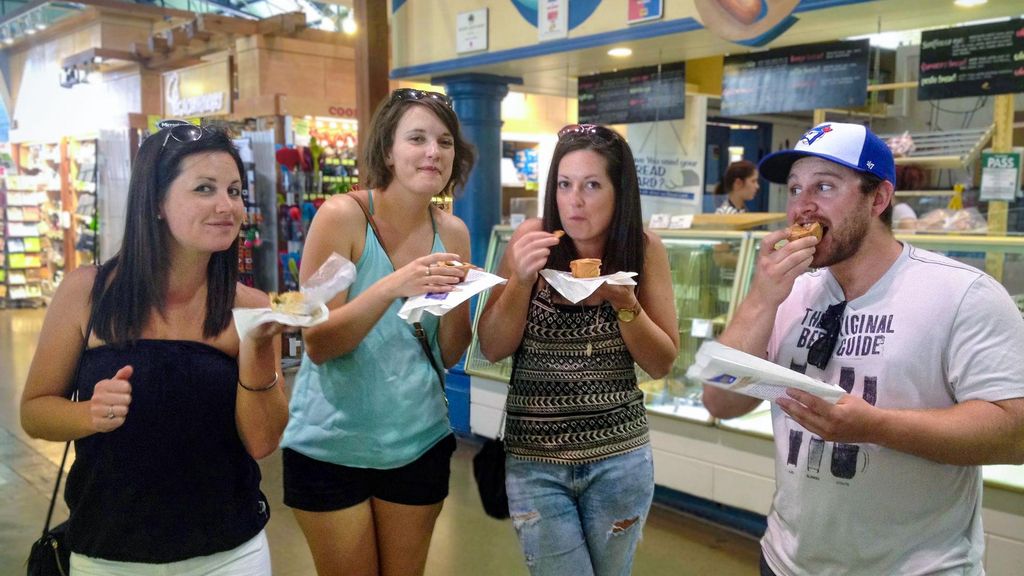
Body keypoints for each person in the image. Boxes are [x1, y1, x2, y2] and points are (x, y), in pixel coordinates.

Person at [703, 122, 1024, 575]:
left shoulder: (963, 295)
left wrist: (877, 426)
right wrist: (761, 296)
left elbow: (1016, 433)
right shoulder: (789, 291)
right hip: (785, 561)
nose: (801, 207)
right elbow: (720, 399)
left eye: (825, 187)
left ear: (878, 198)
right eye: (795, 188)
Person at [20, 120, 287, 574]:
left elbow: (261, 441)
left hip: (230, 553)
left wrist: (258, 350)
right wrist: (89, 414)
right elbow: (35, 410)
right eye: (205, 189)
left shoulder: (252, 307)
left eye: (235, 191)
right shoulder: (88, 292)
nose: (228, 207)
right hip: (108, 552)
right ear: (157, 202)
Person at [281, 88, 476, 576]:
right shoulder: (342, 218)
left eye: (445, 141)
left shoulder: (453, 232)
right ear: (387, 150)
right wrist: (391, 286)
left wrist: (457, 299)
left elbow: (450, 353)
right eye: (417, 138)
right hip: (331, 445)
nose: (433, 151)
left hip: (419, 440)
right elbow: (319, 343)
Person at [478, 123, 680, 576]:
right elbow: (491, 347)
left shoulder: (642, 250)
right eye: (565, 185)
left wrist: (626, 305)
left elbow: (662, 360)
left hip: (619, 459)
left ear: (618, 190)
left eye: (592, 185)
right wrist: (521, 281)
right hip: (534, 462)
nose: (575, 200)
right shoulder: (532, 241)